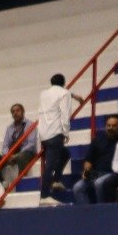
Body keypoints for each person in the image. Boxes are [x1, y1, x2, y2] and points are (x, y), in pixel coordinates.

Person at [36, 73, 74, 204]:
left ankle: (56, 180)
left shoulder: (43, 94)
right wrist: (66, 132)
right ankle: (44, 195)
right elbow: (65, 113)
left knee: (65, 153)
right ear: (64, 83)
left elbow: (56, 95)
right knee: (50, 165)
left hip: (43, 133)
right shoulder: (65, 93)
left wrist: (73, 95)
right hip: (56, 132)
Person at [73, 115, 118, 206]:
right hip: (96, 174)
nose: (110, 128)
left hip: (113, 174)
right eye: (108, 125)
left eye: (114, 126)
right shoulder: (98, 140)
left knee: (99, 183)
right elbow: (89, 159)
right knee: (78, 187)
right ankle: (88, 213)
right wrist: (86, 171)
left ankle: (102, 211)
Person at [1, 103, 38, 185]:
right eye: (13, 112)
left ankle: (21, 180)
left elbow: (31, 144)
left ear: (23, 112)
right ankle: (2, 182)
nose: (15, 113)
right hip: (12, 153)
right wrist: (8, 155)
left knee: (21, 156)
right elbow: (5, 145)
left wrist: (17, 155)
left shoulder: (30, 124)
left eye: (18, 110)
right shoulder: (9, 128)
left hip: (27, 152)